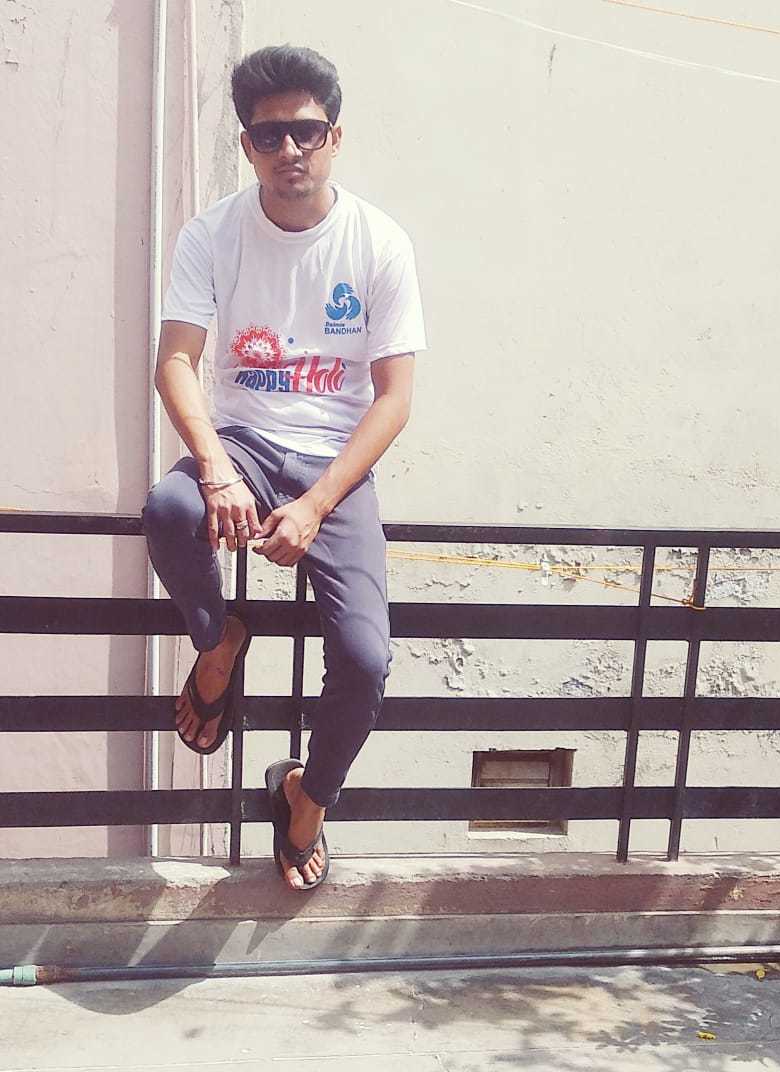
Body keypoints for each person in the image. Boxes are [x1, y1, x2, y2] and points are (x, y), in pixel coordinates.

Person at [141, 45, 425, 891]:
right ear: (247, 146)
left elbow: (394, 400)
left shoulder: (378, 242)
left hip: (335, 465)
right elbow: (175, 361)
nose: (289, 150)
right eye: (269, 136)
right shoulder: (213, 234)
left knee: (364, 659)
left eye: (306, 131)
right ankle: (219, 637)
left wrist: (316, 505)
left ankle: (307, 795)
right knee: (170, 509)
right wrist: (216, 467)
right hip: (246, 444)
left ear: (334, 136)